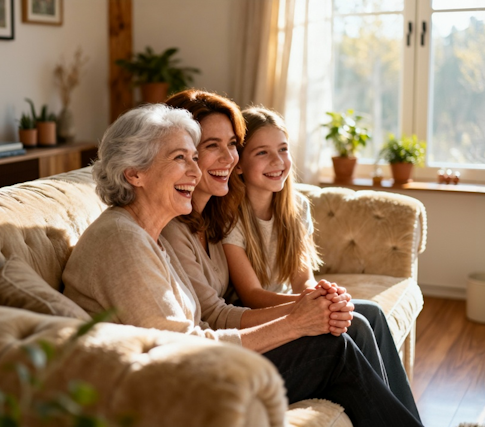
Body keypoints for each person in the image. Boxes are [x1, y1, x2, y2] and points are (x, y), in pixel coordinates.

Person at [62, 102, 423, 426]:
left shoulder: (148, 233)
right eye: (179, 159)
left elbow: (207, 319)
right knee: (336, 345)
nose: (195, 171)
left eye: (193, 156)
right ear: (133, 173)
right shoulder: (124, 240)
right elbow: (181, 349)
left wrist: (303, 316)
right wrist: (295, 322)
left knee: (345, 330)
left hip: (200, 369)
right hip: (184, 389)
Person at [220, 105, 420, 420]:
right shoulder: (231, 216)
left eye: (283, 150)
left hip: (296, 303)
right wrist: (310, 304)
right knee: (359, 322)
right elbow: (252, 295)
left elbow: (303, 280)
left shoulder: (296, 207)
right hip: (263, 319)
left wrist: (321, 293)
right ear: (240, 165)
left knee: (373, 314)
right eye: (262, 153)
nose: (277, 161)